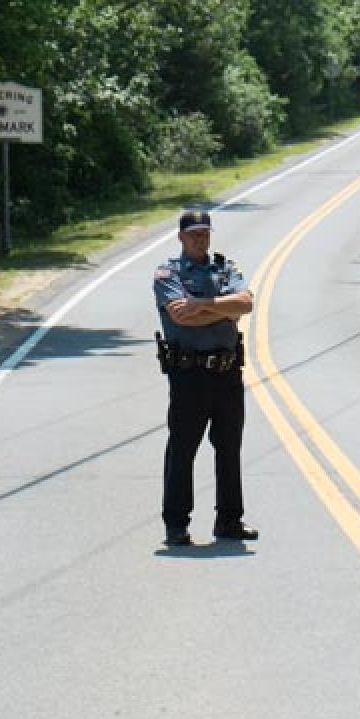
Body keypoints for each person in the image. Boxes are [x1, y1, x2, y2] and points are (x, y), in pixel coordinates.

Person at [154, 209, 259, 546]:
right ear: (181, 237)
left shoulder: (226, 267)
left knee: (230, 448)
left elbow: (245, 304)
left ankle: (229, 520)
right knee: (183, 449)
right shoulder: (168, 274)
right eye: (194, 233)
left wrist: (201, 304)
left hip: (227, 373)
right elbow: (181, 318)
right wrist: (219, 310)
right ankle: (176, 524)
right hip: (189, 375)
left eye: (205, 233)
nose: (201, 238)